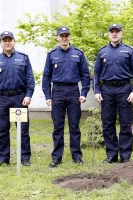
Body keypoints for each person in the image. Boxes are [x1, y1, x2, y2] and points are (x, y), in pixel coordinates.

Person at [42, 26, 90, 168]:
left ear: (70, 37)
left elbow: (85, 75)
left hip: (73, 91)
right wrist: (48, 95)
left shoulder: (78, 54)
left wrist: (83, 93)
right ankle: (57, 157)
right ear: (57, 37)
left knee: (74, 125)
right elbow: (46, 76)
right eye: (61, 36)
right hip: (57, 92)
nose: (64, 38)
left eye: (66, 35)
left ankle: (76, 155)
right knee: (58, 126)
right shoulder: (51, 55)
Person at [0, 31, 35, 168]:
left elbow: (30, 79)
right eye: (4, 40)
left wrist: (28, 95)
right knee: (2, 129)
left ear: (14, 41)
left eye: (10, 40)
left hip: (19, 98)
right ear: (1, 43)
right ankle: (3, 159)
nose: (7, 42)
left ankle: (24, 158)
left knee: (22, 130)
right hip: (2, 99)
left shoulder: (23, 58)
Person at [94, 24, 133, 163]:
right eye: (112, 32)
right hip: (107, 90)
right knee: (108, 123)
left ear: (121, 34)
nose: (114, 34)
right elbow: (96, 72)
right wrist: (97, 90)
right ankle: (111, 155)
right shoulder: (102, 52)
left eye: (117, 32)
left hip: (124, 89)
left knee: (125, 123)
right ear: (108, 34)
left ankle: (125, 156)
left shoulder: (128, 51)